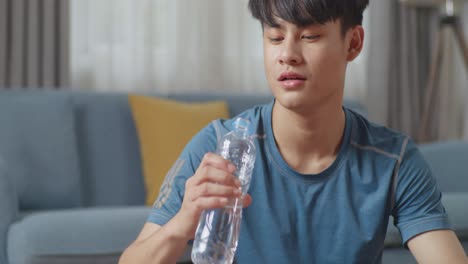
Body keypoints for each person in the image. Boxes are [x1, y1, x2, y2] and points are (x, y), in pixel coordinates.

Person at [119, 0, 468, 263]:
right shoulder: (219, 147)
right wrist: (182, 224)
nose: (288, 54)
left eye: (309, 36)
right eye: (274, 37)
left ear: (353, 43)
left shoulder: (395, 161)